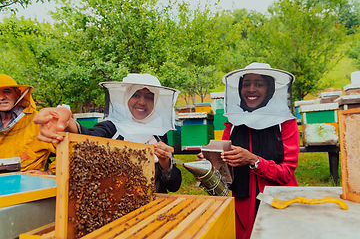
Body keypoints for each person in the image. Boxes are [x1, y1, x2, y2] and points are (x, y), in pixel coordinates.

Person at [198, 63, 299, 239]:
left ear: (270, 88)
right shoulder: (233, 122)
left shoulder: (285, 122)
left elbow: (286, 172)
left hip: (277, 202)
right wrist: (210, 160)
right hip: (241, 202)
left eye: (259, 84)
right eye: (246, 84)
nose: (251, 89)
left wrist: (254, 161)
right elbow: (224, 166)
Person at [34, 73, 182, 193]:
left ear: (155, 103)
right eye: (136, 95)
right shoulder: (112, 128)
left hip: (154, 210)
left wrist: (165, 162)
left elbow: (174, 186)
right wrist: (66, 121)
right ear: (126, 98)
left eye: (149, 97)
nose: (142, 102)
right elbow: (88, 137)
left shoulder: (158, 134)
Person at [0, 74, 56, 175]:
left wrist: (50, 172)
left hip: (30, 185)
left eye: (7, 91)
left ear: (18, 94)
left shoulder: (39, 121)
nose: (1, 97)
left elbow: (72, 148)